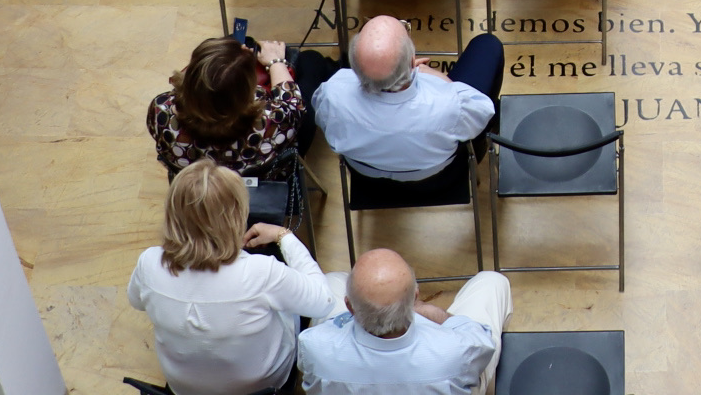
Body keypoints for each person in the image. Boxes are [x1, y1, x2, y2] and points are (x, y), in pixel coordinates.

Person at [127, 159, 343, 395]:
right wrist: (284, 236)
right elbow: (324, 302)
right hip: (264, 385)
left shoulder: (149, 262)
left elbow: (136, 301)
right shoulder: (261, 272)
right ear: (236, 216)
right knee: (335, 285)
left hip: (184, 387)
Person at [312, 15, 504, 181]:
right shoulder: (450, 104)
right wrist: (430, 74)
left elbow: (323, 117)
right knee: (488, 44)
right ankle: (479, 151)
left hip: (367, 180)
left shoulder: (333, 93)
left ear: (353, 69)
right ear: (413, 61)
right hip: (440, 179)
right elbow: (483, 110)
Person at [297, 247, 508, 395]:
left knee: (333, 279)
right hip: (453, 365)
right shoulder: (456, 350)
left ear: (349, 306)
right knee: (492, 281)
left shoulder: (314, 345)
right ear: (415, 297)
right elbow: (482, 340)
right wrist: (436, 315)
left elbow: (328, 332)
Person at [147, 35, 312, 176]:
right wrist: (276, 61)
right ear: (247, 91)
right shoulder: (270, 122)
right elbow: (294, 105)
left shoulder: (160, 110)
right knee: (312, 62)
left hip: (197, 185)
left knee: (243, 40)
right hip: (263, 181)